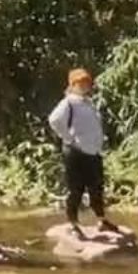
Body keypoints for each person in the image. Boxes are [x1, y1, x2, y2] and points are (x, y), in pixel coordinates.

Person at [47, 68, 118, 239]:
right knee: (75, 189)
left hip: (92, 152)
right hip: (76, 152)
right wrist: (68, 138)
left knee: (97, 187)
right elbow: (54, 120)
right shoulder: (69, 102)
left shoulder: (88, 102)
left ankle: (101, 220)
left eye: (87, 82)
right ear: (72, 85)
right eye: (81, 82)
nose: (85, 85)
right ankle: (73, 224)